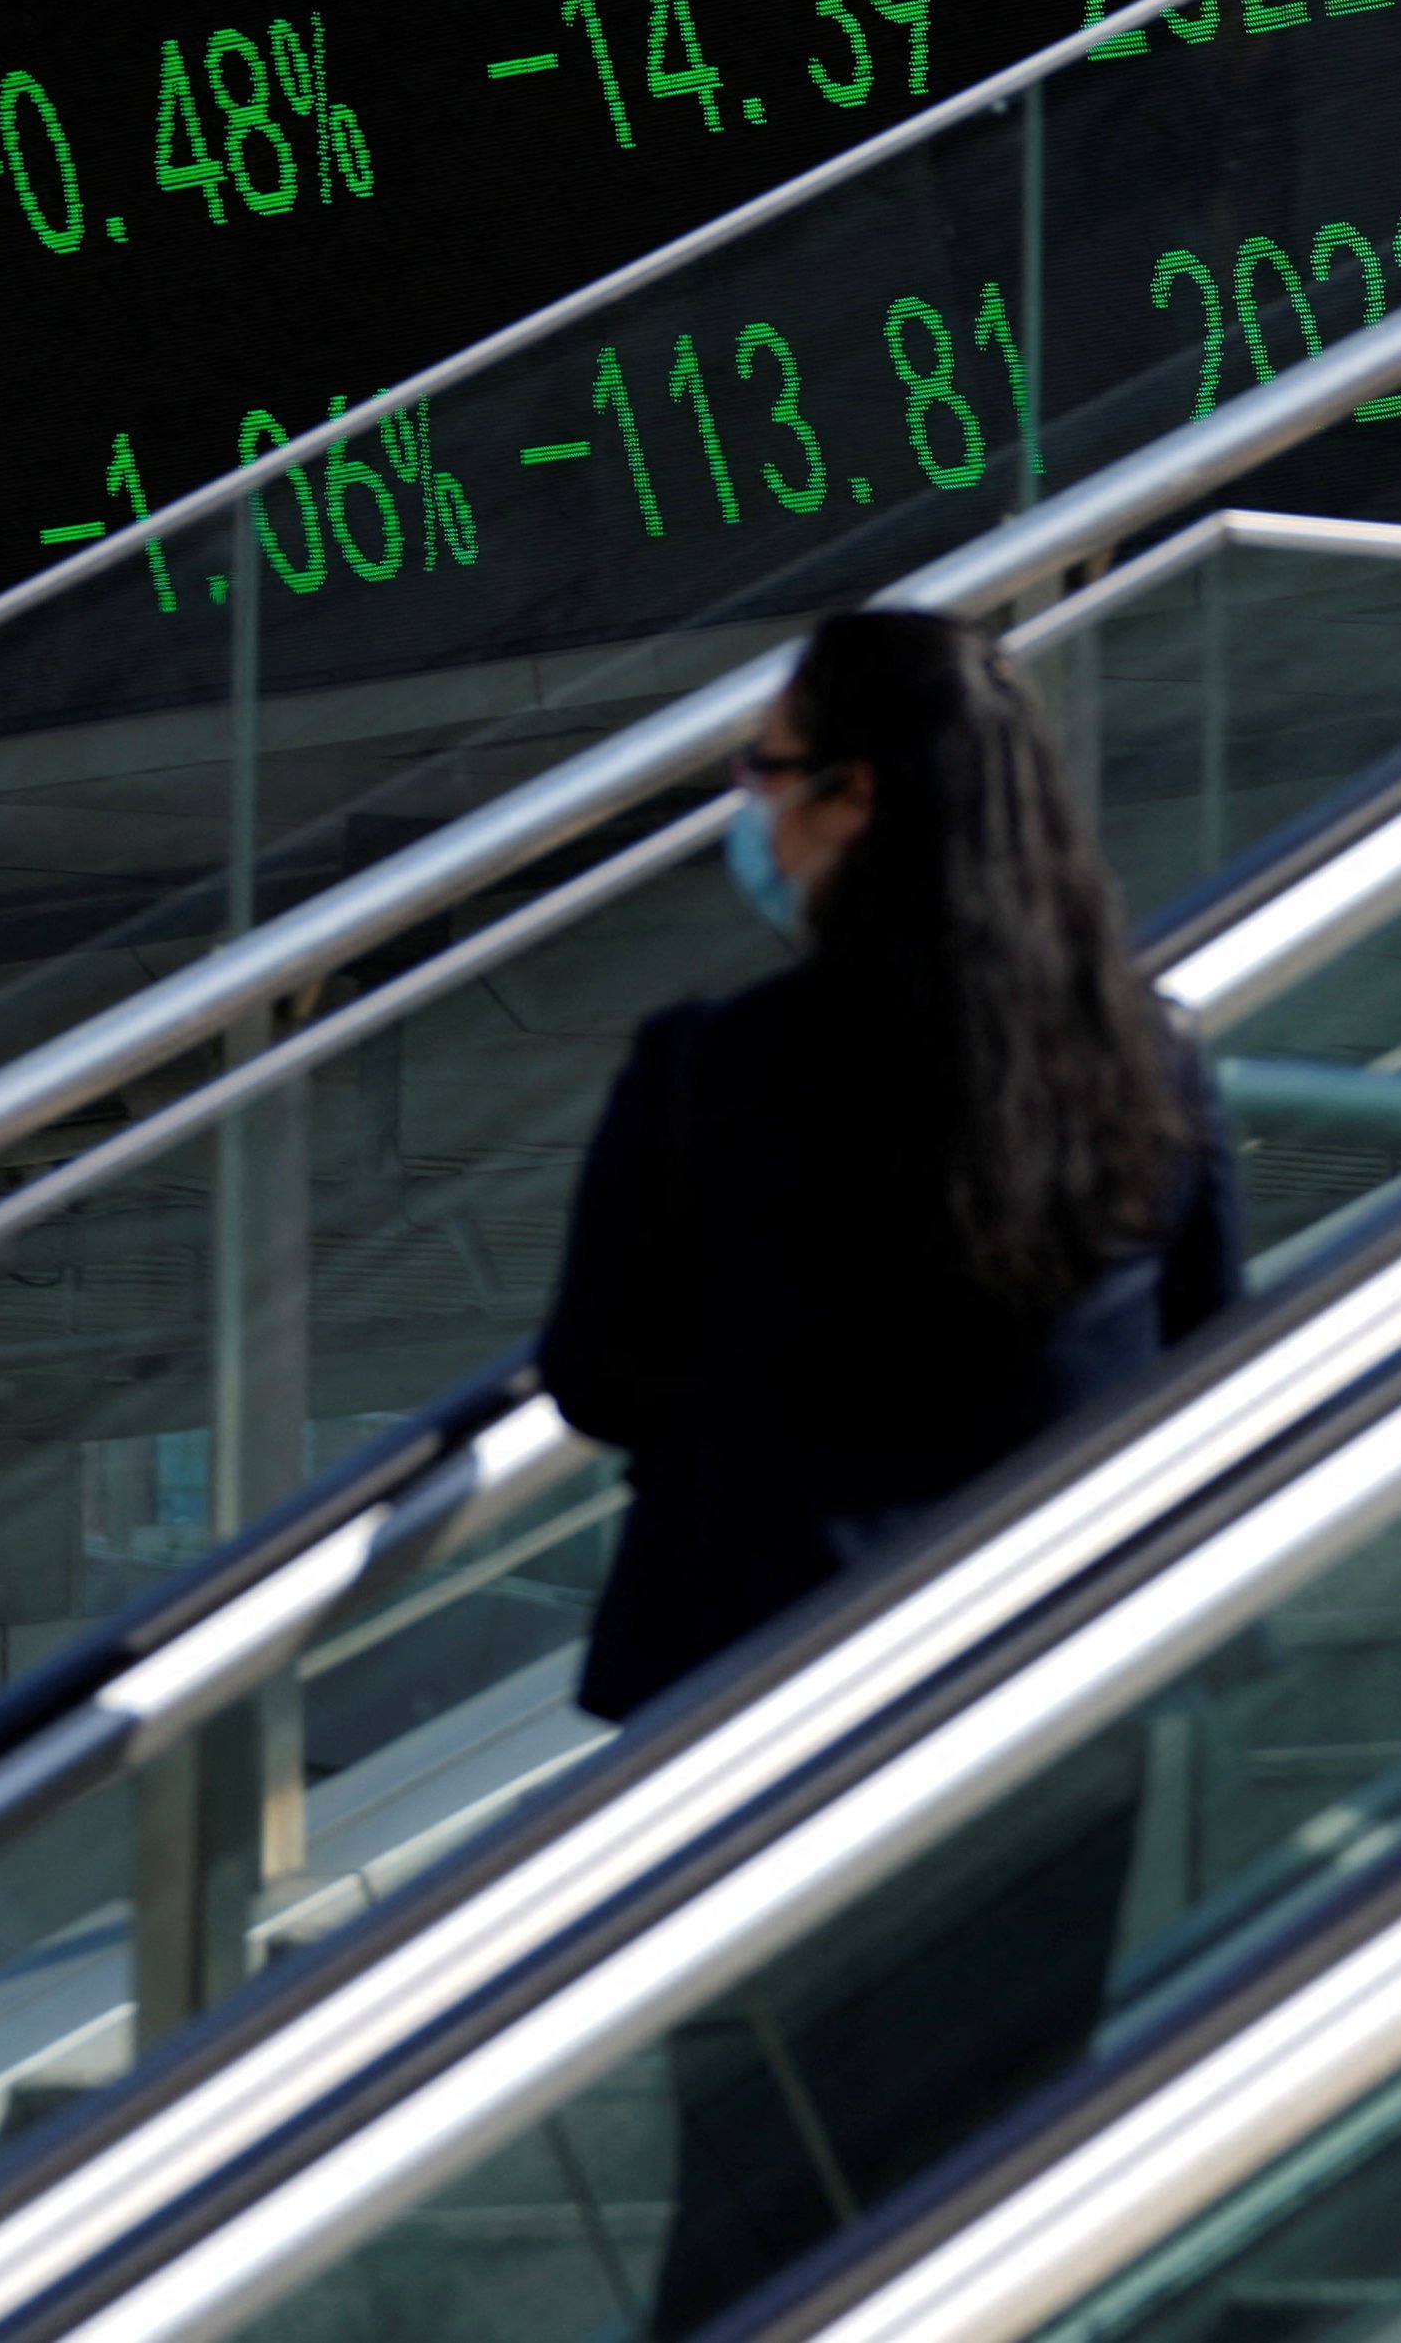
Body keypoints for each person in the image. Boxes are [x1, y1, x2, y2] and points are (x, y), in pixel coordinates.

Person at [534, 606, 1244, 2335]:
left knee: (755, 2207)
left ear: (853, 801)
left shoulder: (714, 1073)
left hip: (762, 1715)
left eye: (766, 772)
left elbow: (594, 1375)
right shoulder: (1147, 1080)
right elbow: (1214, 1371)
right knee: (988, 2198)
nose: (750, 810)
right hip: (1042, 1734)